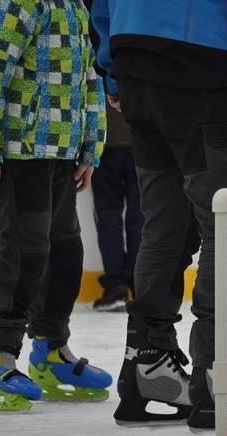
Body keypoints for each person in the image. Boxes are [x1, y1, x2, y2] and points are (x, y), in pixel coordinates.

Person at [91, 0, 227, 427]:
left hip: (135, 74)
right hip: (201, 78)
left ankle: (148, 361)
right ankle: (216, 371)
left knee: (165, 225)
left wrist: (112, 69)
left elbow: (100, 8)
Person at [0, 0, 111, 412]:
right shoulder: (13, 1)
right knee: (24, 255)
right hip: (22, 150)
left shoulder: (73, 4)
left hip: (63, 150)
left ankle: (51, 352)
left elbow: (90, 77)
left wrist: (91, 146)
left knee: (66, 255)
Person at [91, 104, 142, 312]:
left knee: (107, 217)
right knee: (140, 216)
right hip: (140, 142)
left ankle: (115, 285)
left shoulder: (100, 69)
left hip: (105, 142)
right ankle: (140, 282)